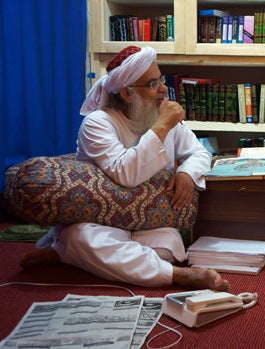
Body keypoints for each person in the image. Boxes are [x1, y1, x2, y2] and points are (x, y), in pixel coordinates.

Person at [19, 45, 230, 291]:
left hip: (147, 221)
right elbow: (127, 174)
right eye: (153, 84)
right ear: (127, 93)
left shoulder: (161, 116)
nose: (163, 89)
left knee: (168, 246)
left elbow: (199, 152)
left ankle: (68, 256)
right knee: (83, 238)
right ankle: (179, 276)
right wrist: (161, 125)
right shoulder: (97, 124)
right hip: (100, 222)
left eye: (161, 80)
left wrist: (187, 172)